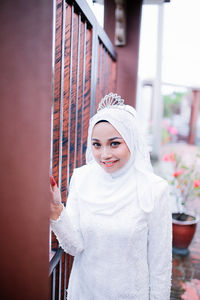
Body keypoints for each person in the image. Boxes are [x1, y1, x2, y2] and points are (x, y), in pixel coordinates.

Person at [50, 93, 172, 300]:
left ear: (131, 141)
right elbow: (75, 246)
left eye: (114, 143)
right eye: (97, 145)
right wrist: (55, 210)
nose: (104, 155)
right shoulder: (81, 178)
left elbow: (160, 264)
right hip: (84, 291)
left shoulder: (155, 189)